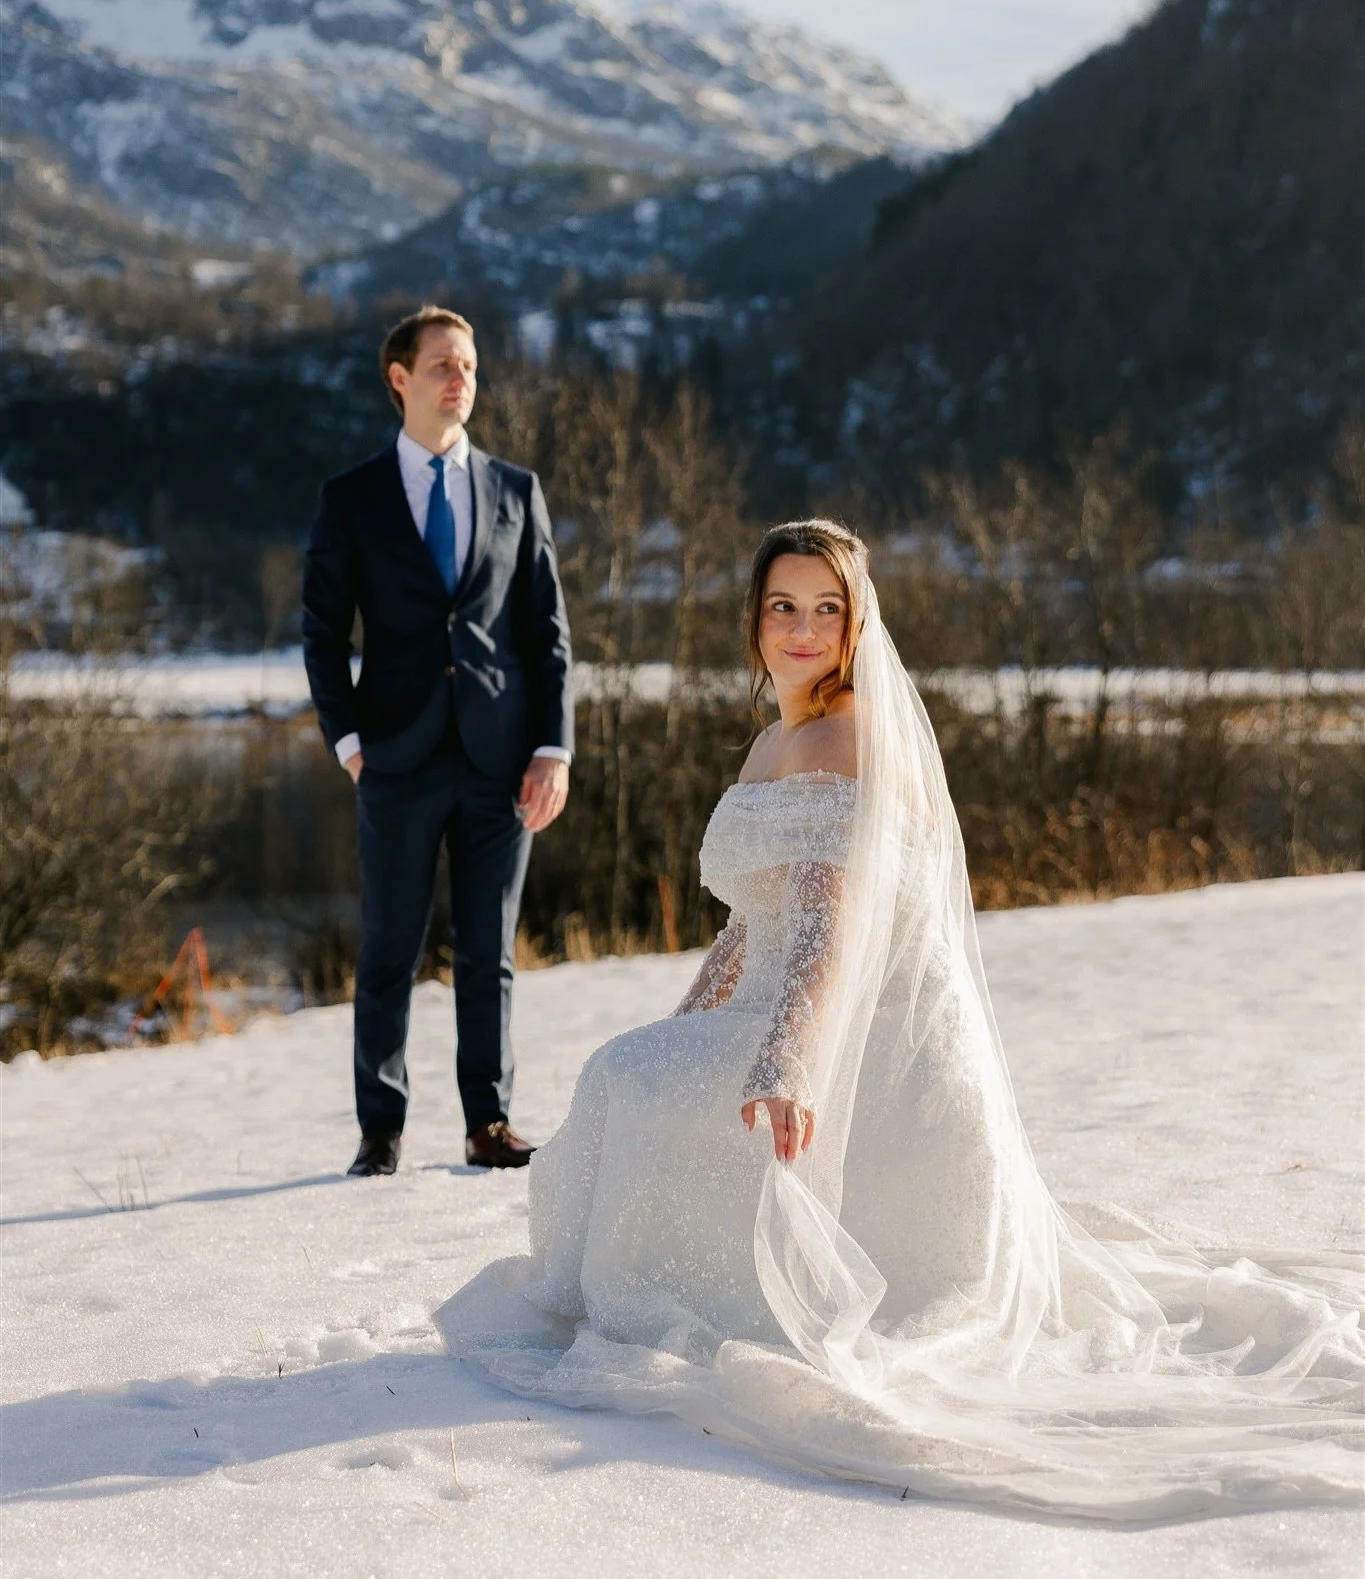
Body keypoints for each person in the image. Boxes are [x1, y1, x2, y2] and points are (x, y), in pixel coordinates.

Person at [438, 517, 1363, 1520]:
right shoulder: (771, 739)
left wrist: (788, 1061)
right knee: (629, 1066)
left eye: (825, 609)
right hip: (788, 997)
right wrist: (684, 1023)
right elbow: (754, 928)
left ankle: (676, 1292)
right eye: (783, 606)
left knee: (634, 1076)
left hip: (866, 1035)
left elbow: (829, 929)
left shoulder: (843, 737)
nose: (802, 629)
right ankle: (634, 1282)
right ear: (755, 618)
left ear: (855, 620)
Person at [302, 306, 572, 1176]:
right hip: (395, 758)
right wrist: (347, 742)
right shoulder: (352, 497)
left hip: (501, 760)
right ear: (400, 379)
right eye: (443, 365)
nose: (461, 379)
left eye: (470, 365)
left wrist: (553, 749)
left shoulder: (515, 491)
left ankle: (487, 1123)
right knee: (388, 948)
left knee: (489, 952)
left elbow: (547, 634)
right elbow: (320, 631)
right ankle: (380, 1130)